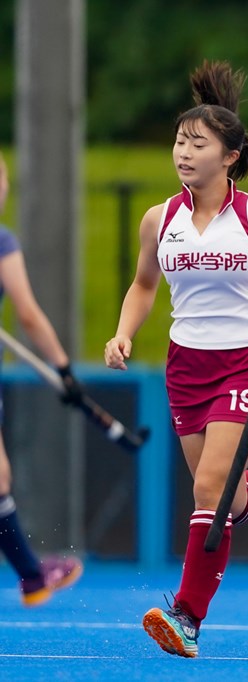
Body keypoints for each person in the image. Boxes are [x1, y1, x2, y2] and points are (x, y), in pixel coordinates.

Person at [103, 61, 248, 658]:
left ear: (229, 155)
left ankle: (188, 615)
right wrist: (124, 333)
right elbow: (144, 285)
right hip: (186, 367)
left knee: (210, 487)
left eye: (198, 144)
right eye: (179, 141)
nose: (183, 152)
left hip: (247, 362)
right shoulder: (159, 219)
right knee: (219, 495)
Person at [0, 152, 83, 606]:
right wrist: (63, 367)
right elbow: (28, 314)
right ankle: (32, 576)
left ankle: (32, 578)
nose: (4, 185)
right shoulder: (1, 241)